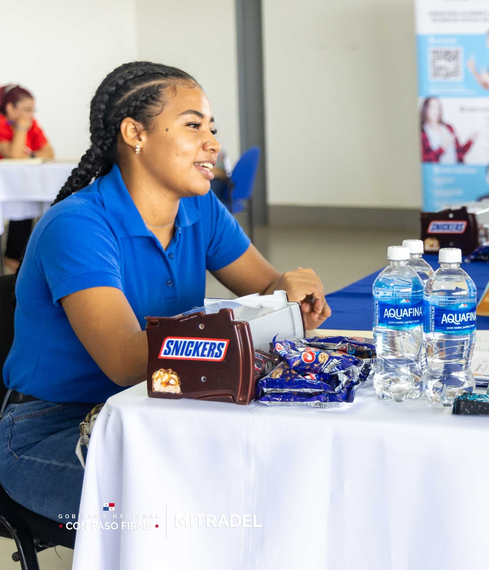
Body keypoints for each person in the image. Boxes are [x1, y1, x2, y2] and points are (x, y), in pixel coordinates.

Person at [0, 62, 331, 521]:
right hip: (52, 428)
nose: (212, 143)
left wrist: (293, 295)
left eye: (211, 128)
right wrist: (247, 320)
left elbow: (269, 289)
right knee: (206, 504)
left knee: (278, 472)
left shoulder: (200, 209)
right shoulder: (78, 226)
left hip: (157, 411)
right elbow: (125, 362)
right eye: (193, 125)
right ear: (135, 133)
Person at [0, 84, 56, 273]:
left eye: (32, 109)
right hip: (5, 187)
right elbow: (14, 155)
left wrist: (31, 155)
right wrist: (21, 129)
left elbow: (49, 152)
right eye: (26, 109)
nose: (30, 114)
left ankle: (14, 259)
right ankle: (10, 259)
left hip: (22, 186)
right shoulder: (3, 123)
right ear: (10, 108)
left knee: (27, 205)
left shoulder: (32, 123)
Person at [420, 97, 475, 163]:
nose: (436, 111)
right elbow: (425, 160)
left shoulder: (448, 128)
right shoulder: (422, 132)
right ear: (425, 109)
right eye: (432, 107)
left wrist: (470, 141)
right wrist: (442, 148)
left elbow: (460, 153)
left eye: (438, 108)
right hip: (436, 172)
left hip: (455, 171)